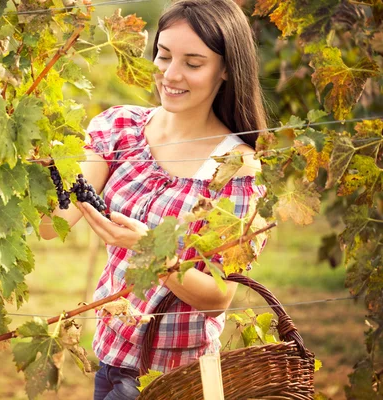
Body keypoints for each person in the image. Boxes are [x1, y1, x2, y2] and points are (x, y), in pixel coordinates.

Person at [40, 0, 267, 398]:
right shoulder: (120, 128)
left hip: (178, 381)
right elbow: (50, 223)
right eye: (163, 56)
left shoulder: (236, 169)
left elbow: (218, 298)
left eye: (193, 63)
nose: (170, 74)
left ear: (227, 68)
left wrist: (149, 251)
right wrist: (34, 162)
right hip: (110, 361)